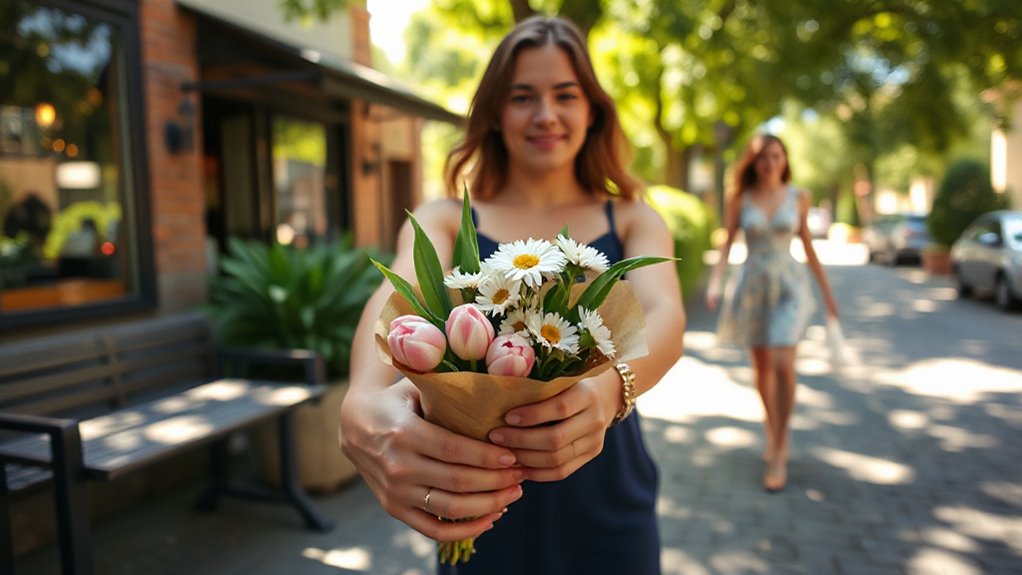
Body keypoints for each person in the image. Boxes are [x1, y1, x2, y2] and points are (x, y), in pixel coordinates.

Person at [339, 16, 685, 575]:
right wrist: (360, 403)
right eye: (523, 96)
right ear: (496, 112)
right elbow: (394, 299)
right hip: (476, 493)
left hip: (605, 484)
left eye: (565, 95)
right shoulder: (445, 219)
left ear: (593, 109)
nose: (545, 114)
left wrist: (606, 395)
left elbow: (666, 314)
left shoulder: (633, 220)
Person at [705, 133, 839, 492]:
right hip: (752, 287)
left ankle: (780, 448)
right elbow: (727, 242)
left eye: (777, 155)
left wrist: (828, 295)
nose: (770, 162)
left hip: (790, 286)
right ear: (753, 162)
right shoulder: (740, 198)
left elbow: (808, 246)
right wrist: (716, 281)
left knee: (783, 364)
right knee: (762, 367)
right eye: (763, 157)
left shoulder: (800, 197)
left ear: (785, 159)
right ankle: (771, 426)